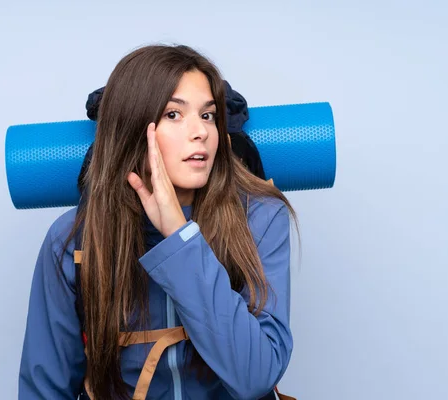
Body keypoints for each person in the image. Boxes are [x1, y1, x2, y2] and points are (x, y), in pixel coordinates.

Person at [18, 44, 298, 400]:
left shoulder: (260, 216)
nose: (200, 132)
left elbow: (256, 375)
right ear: (133, 129)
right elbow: (44, 390)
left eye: (208, 115)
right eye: (173, 115)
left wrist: (179, 238)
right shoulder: (71, 239)